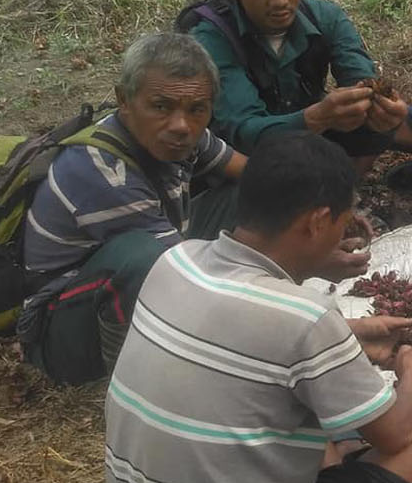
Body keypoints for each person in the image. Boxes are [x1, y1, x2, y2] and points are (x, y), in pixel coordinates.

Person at [105, 133, 412, 483]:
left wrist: (351, 332)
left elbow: (246, 329)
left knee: (312, 419)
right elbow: (395, 434)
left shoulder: (177, 260)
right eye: (341, 223)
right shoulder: (308, 318)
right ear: (318, 221)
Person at [18, 33, 251, 386]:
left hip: (153, 254)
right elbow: (183, 276)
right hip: (62, 329)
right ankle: (132, 381)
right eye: (160, 106)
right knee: (141, 257)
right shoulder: (102, 171)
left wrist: (324, 215)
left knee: (248, 195)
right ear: (124, 101)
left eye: (197, 109)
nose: (180, 125)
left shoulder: (184, 134)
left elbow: (256, 175)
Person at [183, 0, 412, 168]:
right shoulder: (212, 38)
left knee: (377, 128)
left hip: (309, 135)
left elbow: (361, 77)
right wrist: (316, 118)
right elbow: (243, 129)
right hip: (245, 156)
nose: (280, 0)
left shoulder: (326, 17)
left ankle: (343, 187)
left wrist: (382, 110)